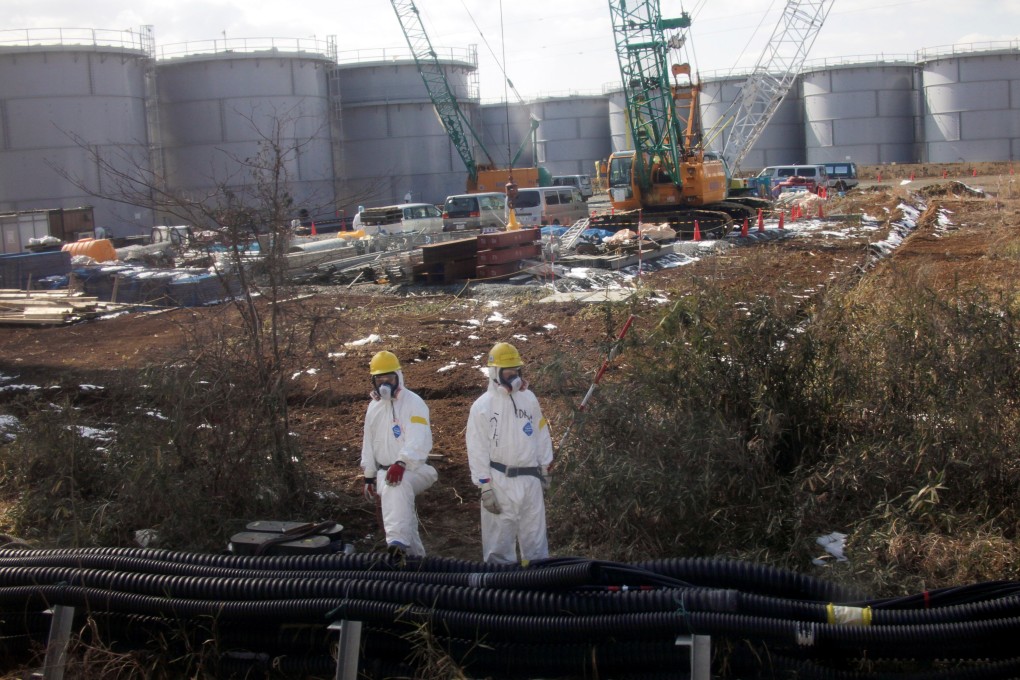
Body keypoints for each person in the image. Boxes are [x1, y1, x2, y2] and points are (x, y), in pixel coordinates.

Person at [466, 342, 554, 564]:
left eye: (516, 371)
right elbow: (476, 447)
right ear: (495, 374)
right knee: (499, 543)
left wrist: (545, 466)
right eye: (508, 372)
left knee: (535, 541)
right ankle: (501, 592)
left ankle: (537, 587)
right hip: (499, 481)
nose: (513, 377)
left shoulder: (529, 399)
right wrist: (484, 486)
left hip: (530, 480)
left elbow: (541, 433)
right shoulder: (482, 406)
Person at [360, 350, 438, 557]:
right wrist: (368, 475)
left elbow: (418, 438)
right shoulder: (374, 408)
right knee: (402, 511)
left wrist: (402, 462)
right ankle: (415, 562)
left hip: (415, 468)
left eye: (390, 378)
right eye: (380, 379)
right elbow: (368, 442)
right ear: (374, 381)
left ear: (399, 377)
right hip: (386, 472)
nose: (385, 384)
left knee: (397, 484)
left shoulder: (413, 403)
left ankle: (396, 544)